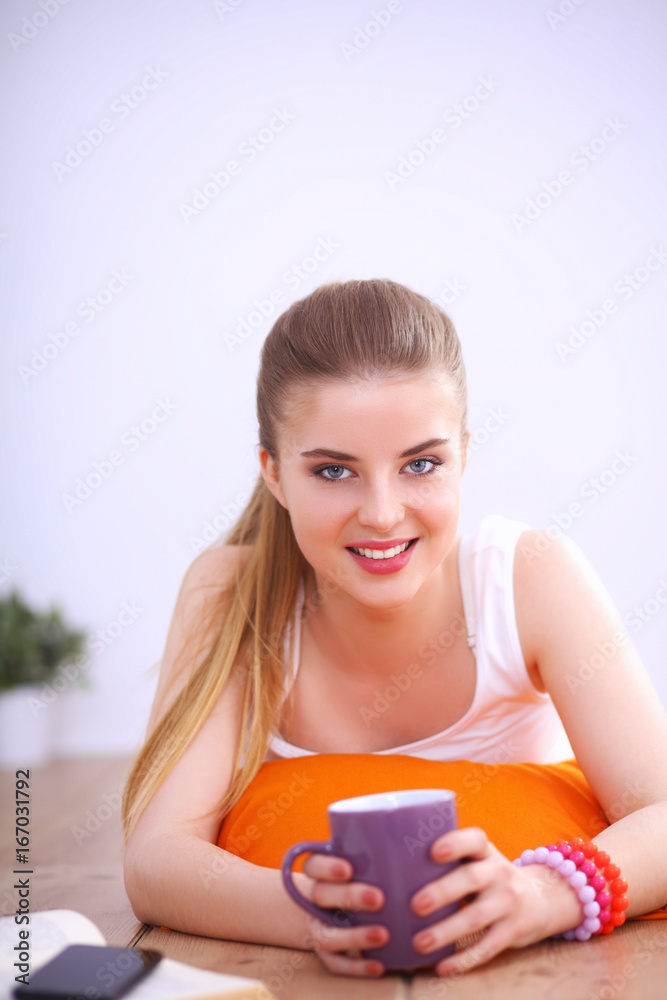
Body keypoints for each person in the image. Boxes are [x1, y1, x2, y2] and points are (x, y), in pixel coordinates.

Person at [121, 278, 667, 979]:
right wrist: (325, 915)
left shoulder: (529, 578)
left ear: (463, 454)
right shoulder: (229, 594)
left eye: (420, 464)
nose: (381, 514)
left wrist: (543, 894)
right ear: (274, 475)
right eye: (333, 471)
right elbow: (156, 859)